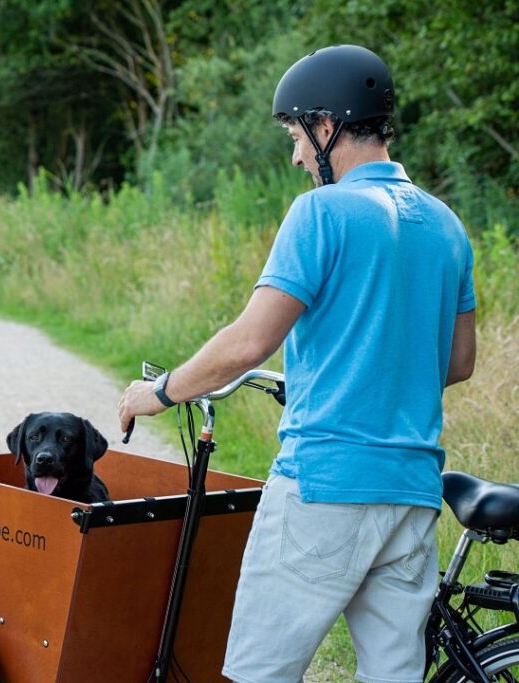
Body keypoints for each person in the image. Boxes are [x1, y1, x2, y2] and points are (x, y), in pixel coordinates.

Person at [118, 44, 477, 683]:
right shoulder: (447, 227)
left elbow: (247, 343)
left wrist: (161, 392)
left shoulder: (321, 213)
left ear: (328, 123)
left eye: (296, 134)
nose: (296, 155)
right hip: (412, 495)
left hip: (324, 486)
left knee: (259, 674)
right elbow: (457, 361)